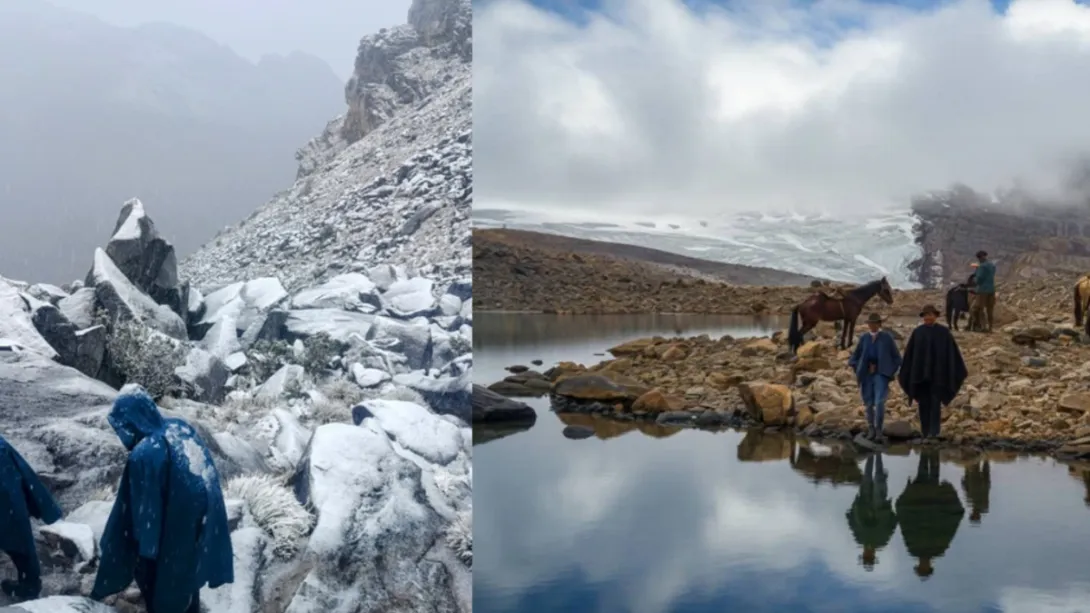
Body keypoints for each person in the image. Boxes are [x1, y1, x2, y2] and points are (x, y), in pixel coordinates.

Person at [90, 384, 234, 613]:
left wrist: (130, 556)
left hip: (177, 529)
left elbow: (140, 518)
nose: (124, 434)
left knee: (165, 589)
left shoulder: (145, 453)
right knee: (185, 581)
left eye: (124, 426)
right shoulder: (180, 427)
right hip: (203, 519)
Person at [0, 435, 63, 602]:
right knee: (18, 537)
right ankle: (29, 585)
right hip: (8, 503)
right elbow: (24, 475)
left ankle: (29, 584)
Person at [897, 305, 968, 440]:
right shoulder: (918, 332)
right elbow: (910, 355)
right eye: (925, 315)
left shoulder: (944, 333)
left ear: (935, 316)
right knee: (923, 404)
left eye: (930, 315)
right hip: (920, 377)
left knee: (935, 403)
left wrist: (955, 371)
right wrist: (908, 373)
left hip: (938, 376)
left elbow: (952, 354)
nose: (928, 317)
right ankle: (925, 432)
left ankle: (935, 433)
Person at [895, 449, 965, 579]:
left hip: (922, 499)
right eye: (925, 567)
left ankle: (928, 449)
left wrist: (904, 505)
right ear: (929, 566)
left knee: (924, 473)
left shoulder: (915, 548)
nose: (924, 564)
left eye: (922, 567)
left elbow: (907, 525)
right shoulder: (938, 549)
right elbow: (948, 527)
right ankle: (931, 450)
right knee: (932, 473)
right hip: (933, 500)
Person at [848, 313, 903, 441]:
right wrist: (859, 367)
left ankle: (879, 430)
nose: (872, 325)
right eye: (870, 323)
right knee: (868, 403)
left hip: (881, 374)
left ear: (879, 324)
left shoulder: (887, 338)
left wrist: (890, 371)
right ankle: (871, 429)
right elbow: (854, 357)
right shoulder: (864, 338)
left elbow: (897, 357)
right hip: (866, 375)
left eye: (875, 323)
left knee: (879, 402)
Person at [845, 453, 898, 571]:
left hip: (864, 501)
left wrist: (855, 508)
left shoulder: (860, 538)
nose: (868, 554)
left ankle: (872, 453)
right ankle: (876, 453)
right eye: (869, 556)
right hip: (879, 505)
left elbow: (850, 518)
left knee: (867, 476)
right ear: (873, 555)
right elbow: (893, 523)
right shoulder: (882, 541)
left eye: (866, 556)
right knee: (878, 477)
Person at [968, 251, 997, 332]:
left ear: (979, 257)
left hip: (982, 290)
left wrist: (974, 279)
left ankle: (983, 327)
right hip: (991, 289)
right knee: (990, 310)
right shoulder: (992, 265)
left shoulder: (981, 267)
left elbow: (979, 279)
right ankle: (991, 327)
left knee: (980, 309)